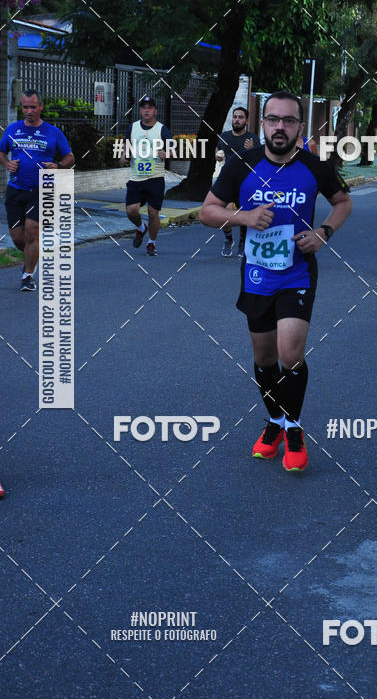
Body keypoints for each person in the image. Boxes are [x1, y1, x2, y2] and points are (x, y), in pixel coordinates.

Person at [200, 91, 352, 472]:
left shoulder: (315, 167)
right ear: (263, 123)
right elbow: (207, 211)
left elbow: (343, 202)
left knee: (289, 354)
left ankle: (294, 429)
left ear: (300, 126)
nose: (280, 127)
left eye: (288, 120)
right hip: (257, 275)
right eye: (273, 119)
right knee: (264, 358)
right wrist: (244, 218)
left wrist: (323, 233)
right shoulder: (241, 165)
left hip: (297, 273)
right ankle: (275, 422)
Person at [0, 89, 74, 291]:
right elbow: (1, 151)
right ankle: (33, 255)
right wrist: (7, 163)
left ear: (41, 107)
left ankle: (28, 276)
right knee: (17, 237)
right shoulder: (13, 129)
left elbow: (69, 157)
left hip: (42, 189)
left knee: (32, 231)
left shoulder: (53, 132)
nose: (29, 111)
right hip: (15, 189)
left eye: (32, 107)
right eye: (25, 107)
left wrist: (58, 166)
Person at [120, 95, 171, 256]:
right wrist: (124, 154)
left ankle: (151, 243)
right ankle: (141, 228)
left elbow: (172, 150)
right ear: (140, 110)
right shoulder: (133, 127)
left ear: (155, 111)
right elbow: (126, 145)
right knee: (131, 210)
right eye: (144, 108)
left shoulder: (162, 129)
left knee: (152, 212)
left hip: (155, 178)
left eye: (150, 108)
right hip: (136, 177)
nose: (146, 110)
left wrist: (167, 153)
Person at [216, 107, 261, 258]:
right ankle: (228, 239)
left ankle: (242, 241)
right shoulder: (225, 136)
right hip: (228, 181)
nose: (236, 120)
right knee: (227, 212)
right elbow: (218, 150)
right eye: (235, 117)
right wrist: (218, 155)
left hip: (246, 182)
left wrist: (252, 149)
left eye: (240, 117)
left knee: (244, 214)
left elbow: (259, 161)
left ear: (246, 120)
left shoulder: (253, 139)